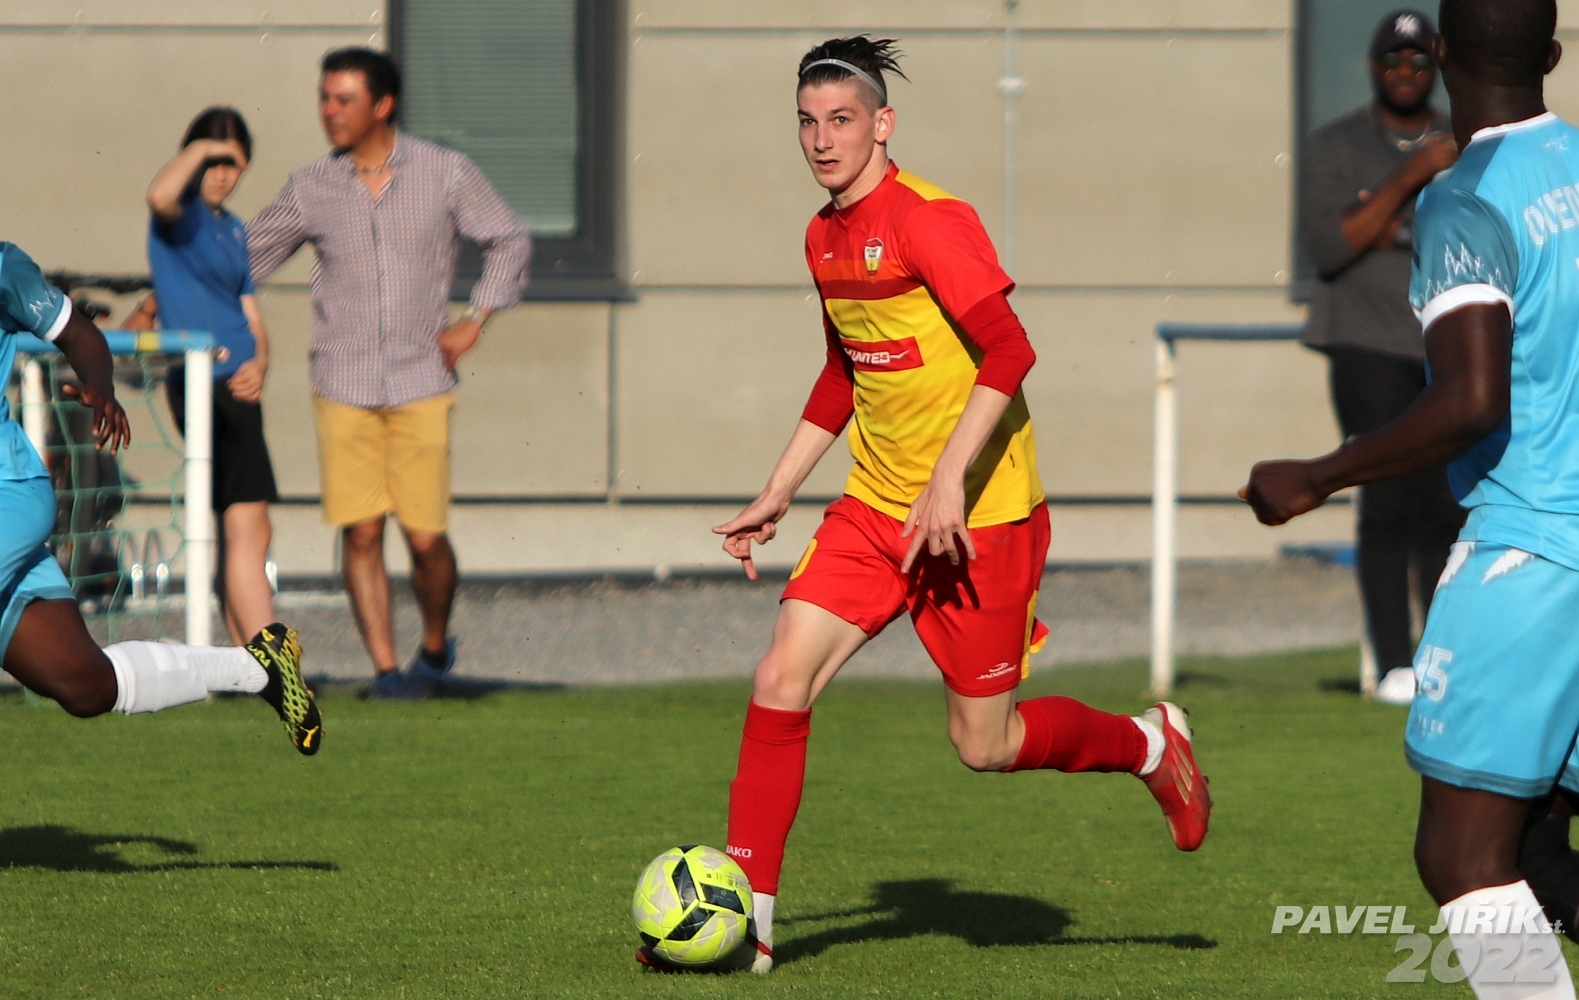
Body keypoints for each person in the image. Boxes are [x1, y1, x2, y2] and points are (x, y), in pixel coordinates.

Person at [643, 36, 1212, 976]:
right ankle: (752, 924)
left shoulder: (931, 221)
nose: (821, 140)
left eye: (841, 120)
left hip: (980, 518)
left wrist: (949, 477)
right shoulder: (822, 235)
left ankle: (1148, 745)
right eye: (806, 122)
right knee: (780, 677)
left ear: (883, 125)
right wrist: (778, 490)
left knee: (984, 745)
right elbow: (844, 368)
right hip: (874, 509)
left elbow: (1010, 348)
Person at [1243, 1, 1579, 993]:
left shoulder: (1463, 196)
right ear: (1551, 54)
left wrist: (1317, 475)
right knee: (1538, 846)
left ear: (1439, 54)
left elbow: (1469, 401)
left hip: (1533, 549)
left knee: (1462, 855)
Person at [246, 48, 531, 698]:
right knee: (363, 531)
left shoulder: (445, 172)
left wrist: (476, 318)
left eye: (343, 99)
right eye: (324, 98)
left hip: (421, 380)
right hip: (340, 384)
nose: (329, 111)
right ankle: (385, 672)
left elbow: (508, 238)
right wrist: (160, 300)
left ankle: (432, 648)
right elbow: (240, 261)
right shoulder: (310, 186)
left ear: (382, 105)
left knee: (426, 539)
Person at [0, 240, 321, 754]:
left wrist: (101, 385)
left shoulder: (2, 266)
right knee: (85, 685)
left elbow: (79, 333)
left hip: (7, 494)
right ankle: (259, 667)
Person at [1299, 9, 1467, 705]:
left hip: (1446, 346)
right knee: (1387, 497)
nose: (1405, 72)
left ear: (1436, 69)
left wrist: (1384, 220)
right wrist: (1409, 175)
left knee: (1446, 505)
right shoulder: (1335, 144)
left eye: (1418, 61)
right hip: (1365, 342)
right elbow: (1332, 246)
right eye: (1392, 60)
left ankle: (1442, 658)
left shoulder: (1464, 142)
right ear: (1373, 68)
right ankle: (1394, 666)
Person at [140, 106, 279, 646]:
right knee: (247, 525)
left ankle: (250, 663)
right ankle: (273, 666)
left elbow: (251, 317)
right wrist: (200, 149)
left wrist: (260, 364)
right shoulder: (182, 218)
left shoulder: (234, 228)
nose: (220, 174)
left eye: (231, 163)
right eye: (210, 162)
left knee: (244, 527)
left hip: (238, 387)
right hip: (205, 385)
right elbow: (158, 195)